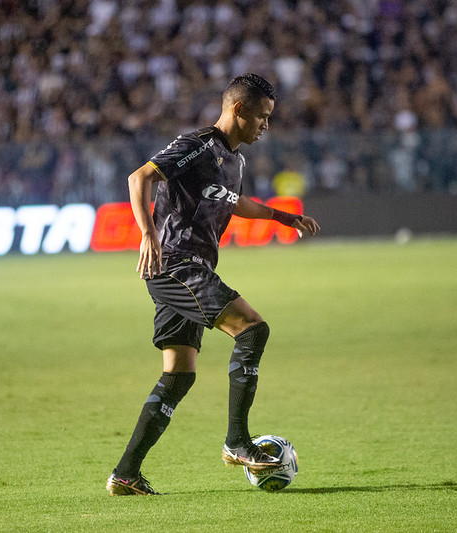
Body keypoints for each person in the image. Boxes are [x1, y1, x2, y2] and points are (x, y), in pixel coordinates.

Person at [106, 73, 320, 496]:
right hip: (177, 265)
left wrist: (283, 217)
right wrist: (148, 233)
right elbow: (139, 179)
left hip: (188, 267)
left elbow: (234, 202)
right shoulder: (199, 144)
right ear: (237, 109)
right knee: (253, 329)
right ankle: (237, 442)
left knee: (179, 375)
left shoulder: (234, 161)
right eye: (261, 116)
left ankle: (126, 474)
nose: (265, 125)